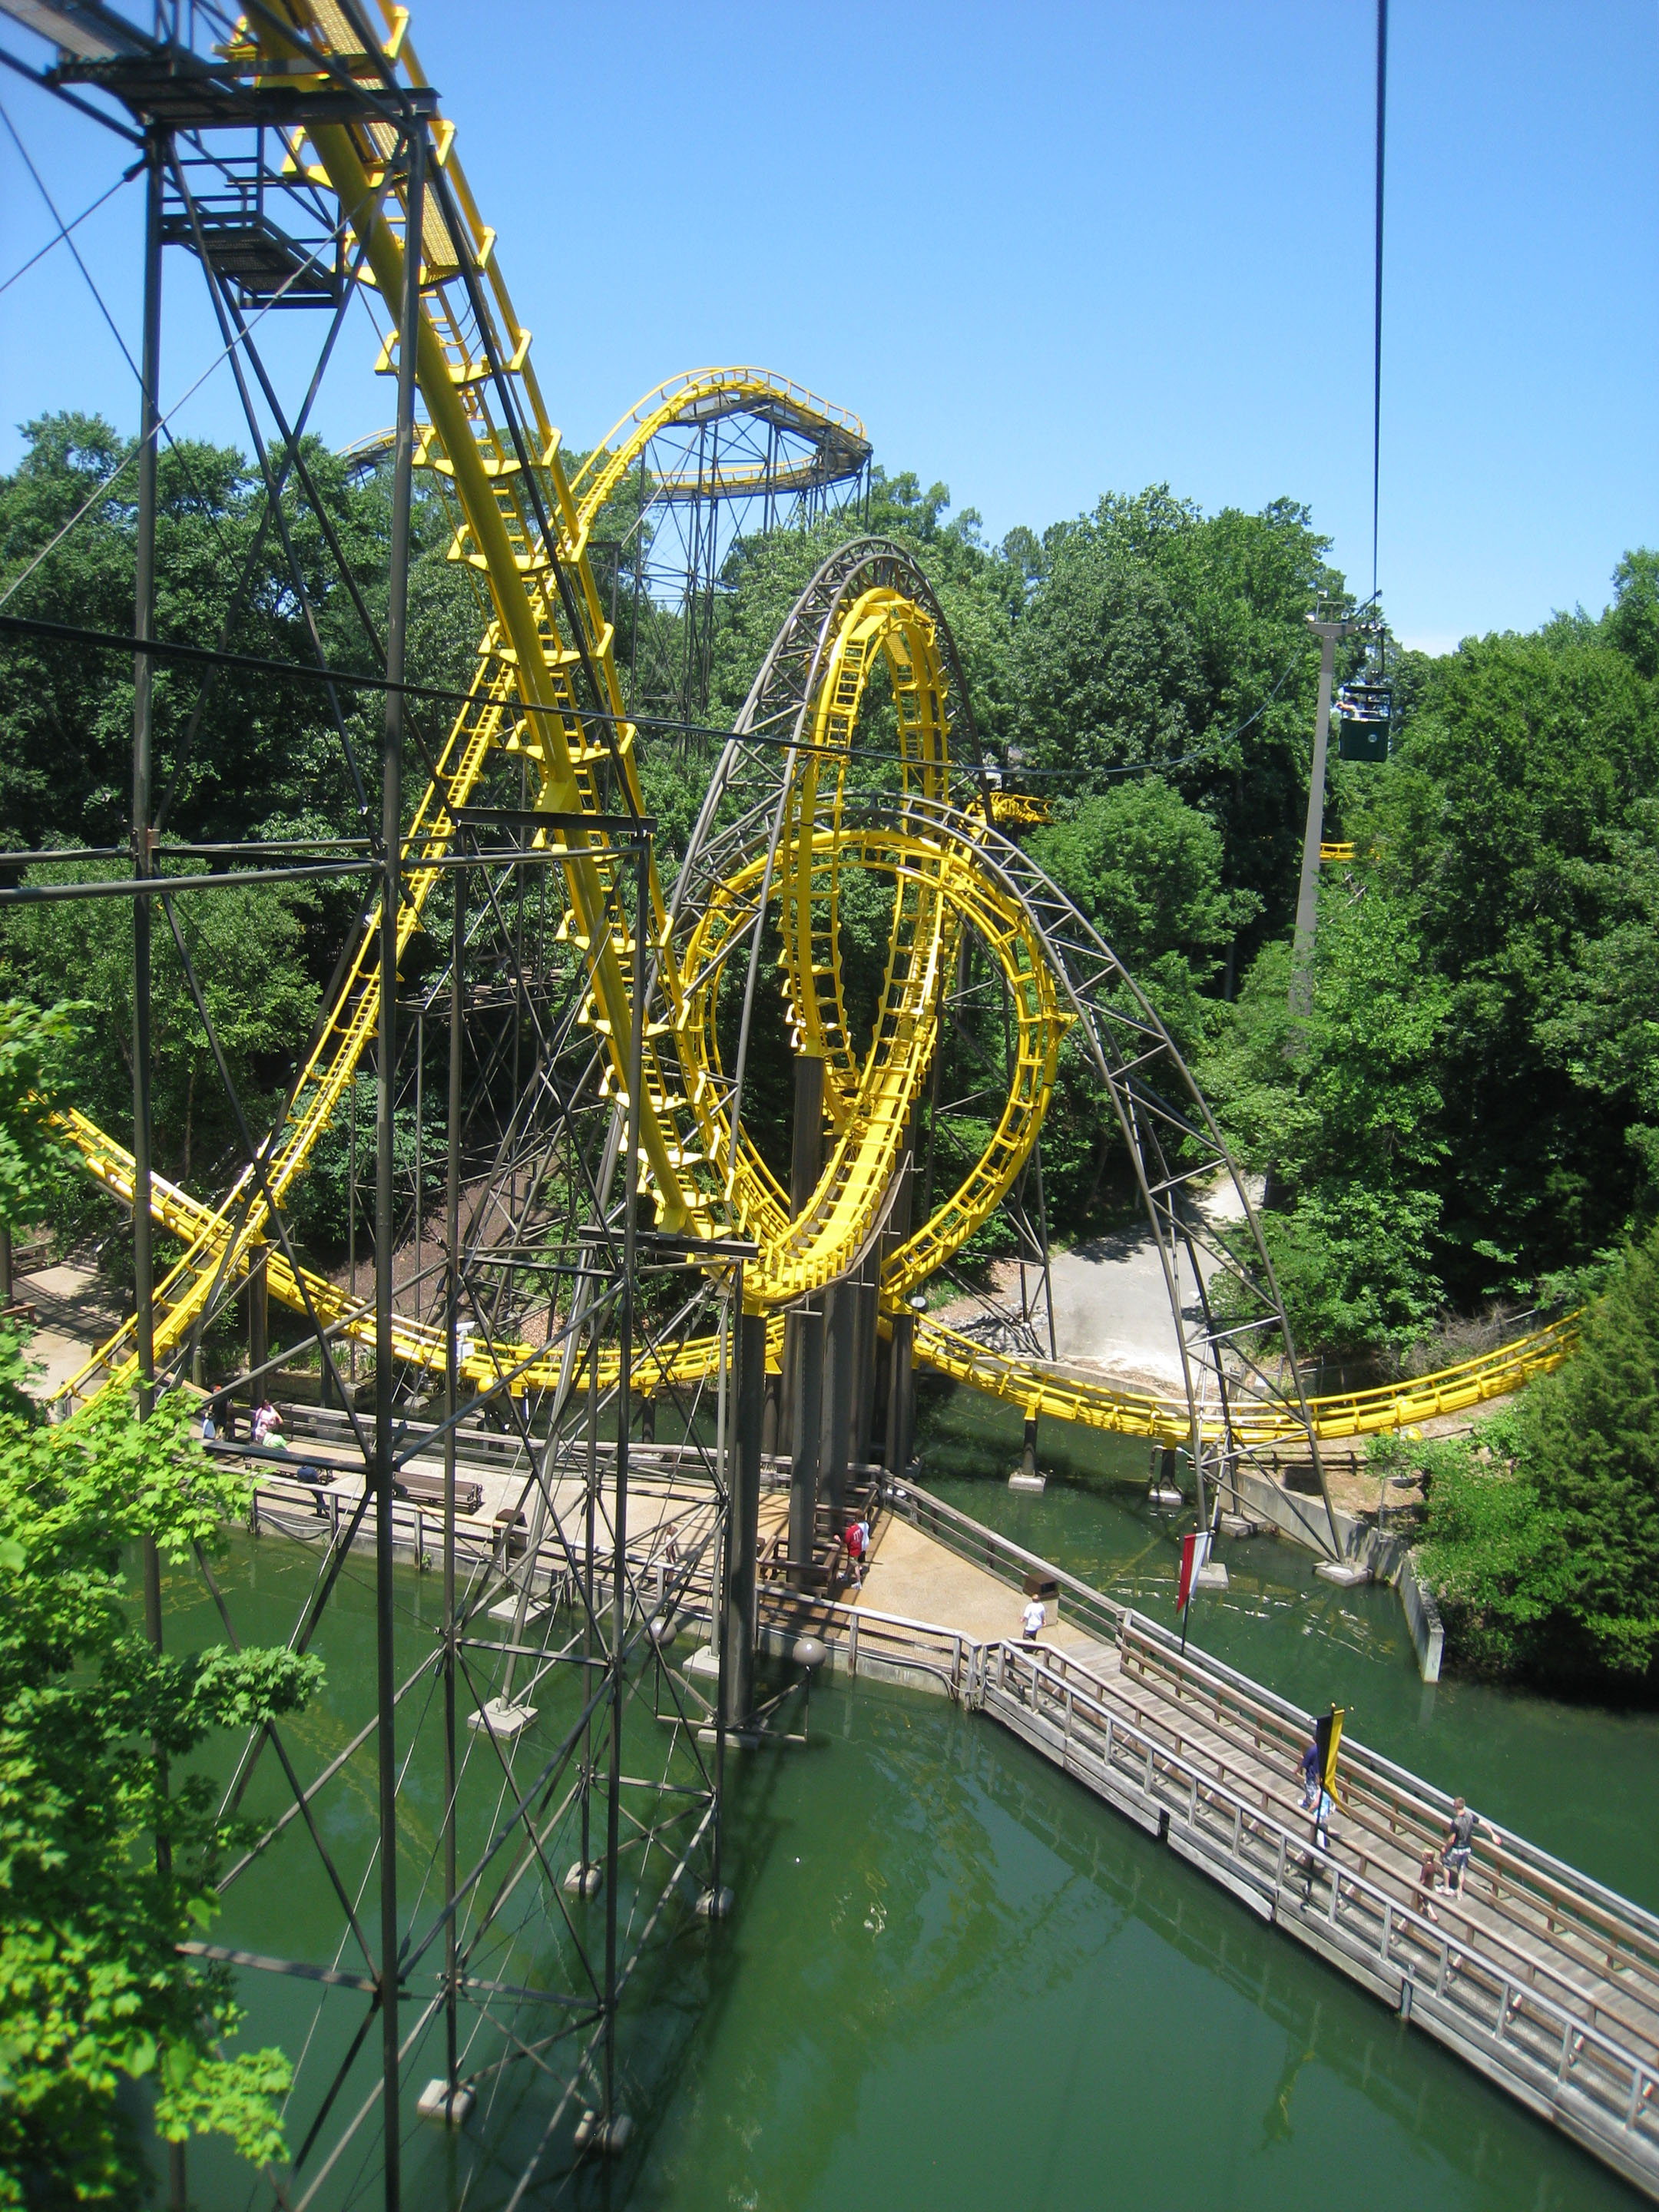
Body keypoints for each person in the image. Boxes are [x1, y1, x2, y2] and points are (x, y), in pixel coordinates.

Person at [1441, 1796, 1501, 1898]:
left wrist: (1445, 1849)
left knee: (1446, 1865)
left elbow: (1452, 1839)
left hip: (1456, 1849)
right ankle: (1459, 1891)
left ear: (1455, 1806)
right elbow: (1484, 1824)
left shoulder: (1455, 1822)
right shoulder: (1470, 1816)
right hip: (1466, 1848)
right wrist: (1493, 1834)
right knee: (1462, 1869)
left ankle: (1446, 1888)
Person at [1412, 1845, 1442, 1924]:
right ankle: (1421, 1910)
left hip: (1424, 1887)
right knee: (1424, 1901)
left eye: (1424, 1855)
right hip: (1430, 1886)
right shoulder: (1433, 1866)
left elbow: (1423, 1879)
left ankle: (1432, 1915)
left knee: (1424, 1900)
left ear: (1427, 1858)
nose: (1422, 1856)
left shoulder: (1426, 1867)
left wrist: (1418, 1886)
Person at [1297, 1735, 1320, 1810]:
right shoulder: (1324, 1749)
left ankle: (1311, 1809)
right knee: (1313, 1791)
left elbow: (1305, 1763)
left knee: (1312, 1792)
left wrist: (1296, 1770)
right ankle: (1306, 1802)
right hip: (1320, 1775)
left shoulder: (1312, 1750)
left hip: (1312, 1775)